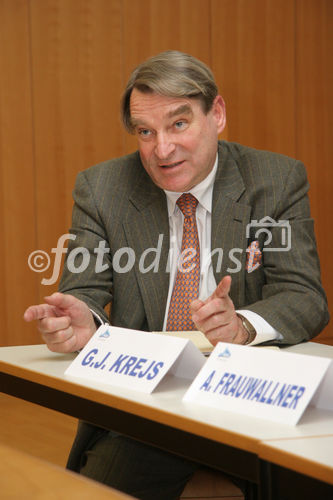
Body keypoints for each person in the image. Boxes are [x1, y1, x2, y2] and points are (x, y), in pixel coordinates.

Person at [24, 50, 329, 499]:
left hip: (250, 396)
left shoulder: (275, 180)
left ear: (217, 114)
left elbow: (303, 295)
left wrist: (241, 325)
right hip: (150, 405)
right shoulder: (102, 188)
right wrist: (83, 322)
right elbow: (83, 291)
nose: (161, 149)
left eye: (178, 125)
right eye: (145, 132)